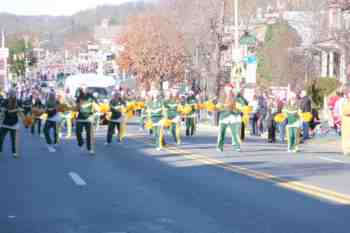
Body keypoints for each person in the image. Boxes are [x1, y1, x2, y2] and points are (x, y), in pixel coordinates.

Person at [0, 90, 24, 158]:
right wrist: (3, 110)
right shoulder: (5, 101)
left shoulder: (18, 101)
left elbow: (21, 111)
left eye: (14, 93)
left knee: (13, 139)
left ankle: (14, 152)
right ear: (9, 94)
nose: (13, 94)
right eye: (11, 93)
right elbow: (5, 110)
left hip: (14, 123)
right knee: (1, 138)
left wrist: (24, 120)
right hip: (5, 123)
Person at [76, 87, 97, 155]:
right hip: (80, 117)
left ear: (87, 90)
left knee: (89, 134)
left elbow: (96, 105)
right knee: (78, 131)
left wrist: (96, 110)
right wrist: (77, 107)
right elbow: (77, 106)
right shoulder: (79, 96)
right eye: (82, 89)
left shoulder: (91, 96)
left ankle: (90, 148)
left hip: (89, 117)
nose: (84, 90)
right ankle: (80, 142)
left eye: (85, 88)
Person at [341, 91, 350, 156]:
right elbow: (346, 111)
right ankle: (347, 150)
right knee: (347, 138)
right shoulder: (345, 103)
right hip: (347, 124)